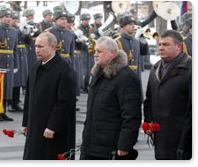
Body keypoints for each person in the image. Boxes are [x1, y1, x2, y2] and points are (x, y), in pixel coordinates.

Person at [80, 36, 142, 160]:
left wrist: (125, 144)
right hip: (91, 146)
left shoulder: (125, 77)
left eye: (99, 51)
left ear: (112, 53)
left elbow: (131, 115)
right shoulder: (99, 74)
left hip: (110, 148)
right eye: (95, 51)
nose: (95, 54)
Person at [22, 32, 77, 160]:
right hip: (35, 125)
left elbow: (64, 102)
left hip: (53, 131)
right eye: (36, 46)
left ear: (53, 47)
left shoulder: (65, 70)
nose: (36, 50)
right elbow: (29, 98)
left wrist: (53, 126)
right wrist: (26, 122)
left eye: (41, 47)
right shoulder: (36, 67)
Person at [143, 30, 192, 160]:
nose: (161, 48)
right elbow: (149, 99)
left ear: (178, 46)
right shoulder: (156, 68)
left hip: (182, 139)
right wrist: (148, 122)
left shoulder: (190, 68)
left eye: (166, 44)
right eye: (159, 44)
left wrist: (185, 143)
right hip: (161, 138)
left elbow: (192, 111)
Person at [115, 14, 149, 102]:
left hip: (136, 75)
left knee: (136, 101)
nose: (133, 26)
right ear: (123, 26)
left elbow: (144, 52)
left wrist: (143, 41)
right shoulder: (117, 41)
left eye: (133, 23)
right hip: (123, 77)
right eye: (130, 24)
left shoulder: (136, 40)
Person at [8, 10, 29, 112]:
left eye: (17, 19)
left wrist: (27, 33)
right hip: (14, 55)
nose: (15, 21)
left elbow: (28, 41)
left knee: (20, 80)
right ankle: (10, 102)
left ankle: (16, 102)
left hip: (22, 54)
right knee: (13, 80)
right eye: (13, 19)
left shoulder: (17, 29)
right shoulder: (10, 30)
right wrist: (20, 31)